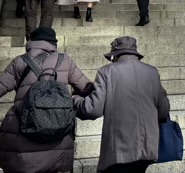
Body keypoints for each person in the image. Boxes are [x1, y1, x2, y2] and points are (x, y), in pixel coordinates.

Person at [0, 27, 93, 173]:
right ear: (54, 44)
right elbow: (88, 89)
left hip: (23, 143)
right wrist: (74, 98)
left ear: (31, 42)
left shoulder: (20, 62)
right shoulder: (65, 61)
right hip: (58, 143)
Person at [73, 36, 170, 173]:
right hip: (148, 147)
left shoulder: (106, 71)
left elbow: (93, 109)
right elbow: (164, 109)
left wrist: (75, 99)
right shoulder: (152, 72)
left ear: (114, 56)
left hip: (119, 150)